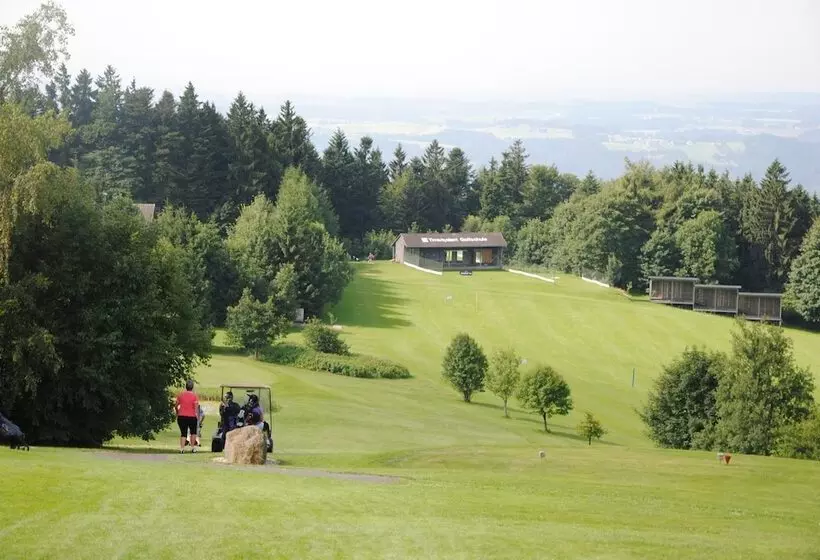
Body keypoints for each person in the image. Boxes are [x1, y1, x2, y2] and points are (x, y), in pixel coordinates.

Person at [175, 379, 200, 453]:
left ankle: (182, 449)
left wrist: (177, 412)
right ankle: (192, 448)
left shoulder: (180, 395)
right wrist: (197, 416)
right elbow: (196, 407)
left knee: (183, 433)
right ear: (192, 387)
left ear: (186, 387)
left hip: (181, 416)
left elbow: (176, 406)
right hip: (192, 416)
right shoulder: (195, 396)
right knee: (193, 432)